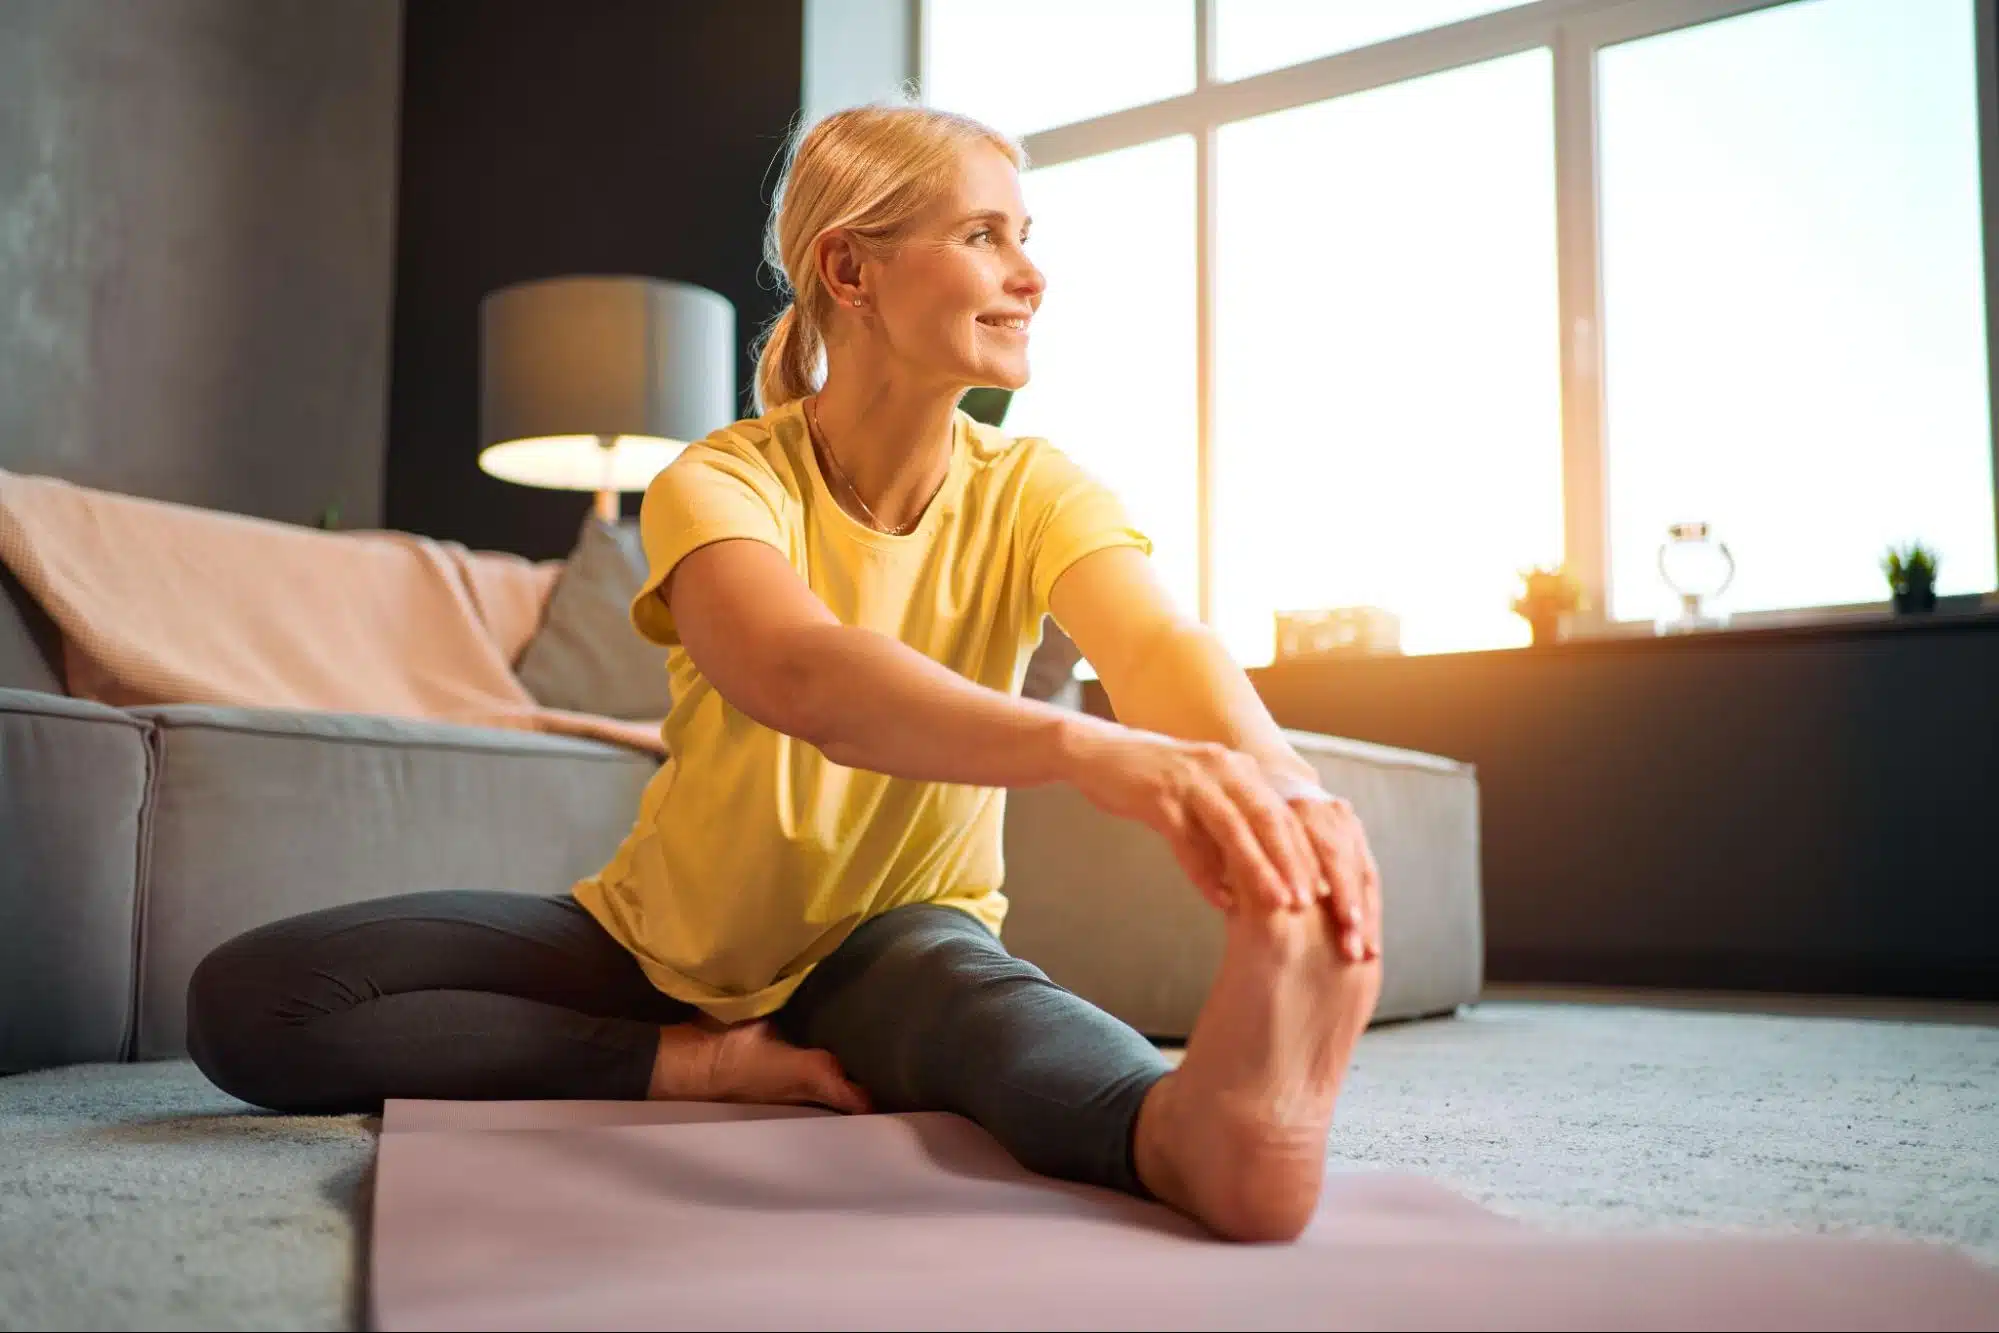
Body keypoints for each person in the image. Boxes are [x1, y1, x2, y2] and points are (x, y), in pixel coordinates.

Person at [185, 103, 1385, 1243]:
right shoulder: (721, 478)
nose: (1031, 274)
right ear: (850, 271)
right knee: (247, 1003)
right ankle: (694, 1065)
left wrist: (1278, 782)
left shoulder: (1036, 491)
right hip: (651, 948)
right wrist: (1089, 749)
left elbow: (1160, 647)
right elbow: (806, 672)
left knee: (983, 1014)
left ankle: (1194, 1132)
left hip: (896, 942)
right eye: (983, 236)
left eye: (1026, 238)